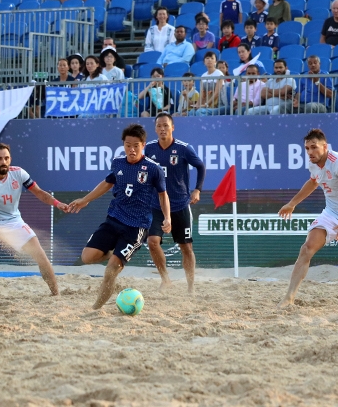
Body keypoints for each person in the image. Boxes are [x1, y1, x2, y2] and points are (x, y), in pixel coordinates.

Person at [68, 123, 171, 310]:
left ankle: (96, 307)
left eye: (136, 146)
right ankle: (113, 254)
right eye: (127, 145)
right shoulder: (118, 163)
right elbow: (107, 183)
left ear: (143, 145)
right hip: (114, 219)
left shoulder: (153, 169)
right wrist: (85, 200)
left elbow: (163, 195)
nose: (131, 150)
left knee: (111, 270)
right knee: (87, 257)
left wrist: (167, 218)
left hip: (136, 227)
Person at [278, 129, 338, 307]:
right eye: (307, 148)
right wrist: (292, 203)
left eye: (313, 147)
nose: (309, 152)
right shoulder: (313, 163)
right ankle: (288, 298)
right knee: (306, 249)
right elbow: (313, 182)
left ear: (325, 147)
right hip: (331, 213)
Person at [0, 143, 62, 295]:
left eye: (6, 158)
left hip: (13, 221)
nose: (3, 162)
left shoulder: (19, 173)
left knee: (40, 254)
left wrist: (57, 203)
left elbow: (40, 193)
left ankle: (56, 294)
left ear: (10, 159)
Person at [145, 113, 206, 292]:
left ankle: (190, 287)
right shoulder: (148, 149)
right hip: (156, 205)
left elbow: (200, 166)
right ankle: (165, 279)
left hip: (179, 204)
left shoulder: (184, 148)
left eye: (166, 125)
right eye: (159, 126)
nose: (162, 129)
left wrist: (197, 190)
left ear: (173, 127)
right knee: (152, 242)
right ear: (155, 129)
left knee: (186, 247)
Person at [189, 52, 224, 116]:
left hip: (219, 104)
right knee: (192, 112)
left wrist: (206, 104)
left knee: (199, 112)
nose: (209, 60)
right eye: (207, 58)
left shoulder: (219, 74)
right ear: (204, 62)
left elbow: (217, 93)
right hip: (206, 104)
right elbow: (202, 93)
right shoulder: (203, 76)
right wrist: (197, 105)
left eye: (212, 58)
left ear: (215, 61)